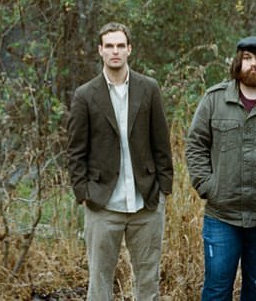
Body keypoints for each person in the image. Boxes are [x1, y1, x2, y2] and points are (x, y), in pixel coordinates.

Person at [185, 36, 256, 301]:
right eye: (247, 58)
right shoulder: (214, 99)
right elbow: (196, 145)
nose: (253, 65)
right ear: (238, 62)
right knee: (216, 289)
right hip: (221, 215)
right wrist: (207, 186)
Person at [66, 22, 174, 301]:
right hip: (103, 204)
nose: (115, 51)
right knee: (99, 285)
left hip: (146, 202)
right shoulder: (85, 95)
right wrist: (83, 193)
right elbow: (75, 151)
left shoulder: (148, 89)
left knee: (147, 283)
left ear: (129, 50)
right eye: (109, 46)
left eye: (120, 46)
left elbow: (162, 143)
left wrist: (164, 189)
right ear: (100, 50)